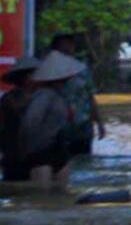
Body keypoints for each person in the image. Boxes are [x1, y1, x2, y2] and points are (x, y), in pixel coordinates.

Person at [2, 53, 79, 189]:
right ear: (26, 78)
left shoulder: (49, 96)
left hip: (51, 151)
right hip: (20, 156)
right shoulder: (10, 100)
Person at [46, 34, 104, 156]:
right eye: (63, 47)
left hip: (83, 126)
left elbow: (90, 98)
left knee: (84, 161)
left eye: (70, 46)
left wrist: (100, 123)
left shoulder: (82, 70)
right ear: (55, 50)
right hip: (57, 128)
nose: (67, 50)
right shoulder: (46, 72)